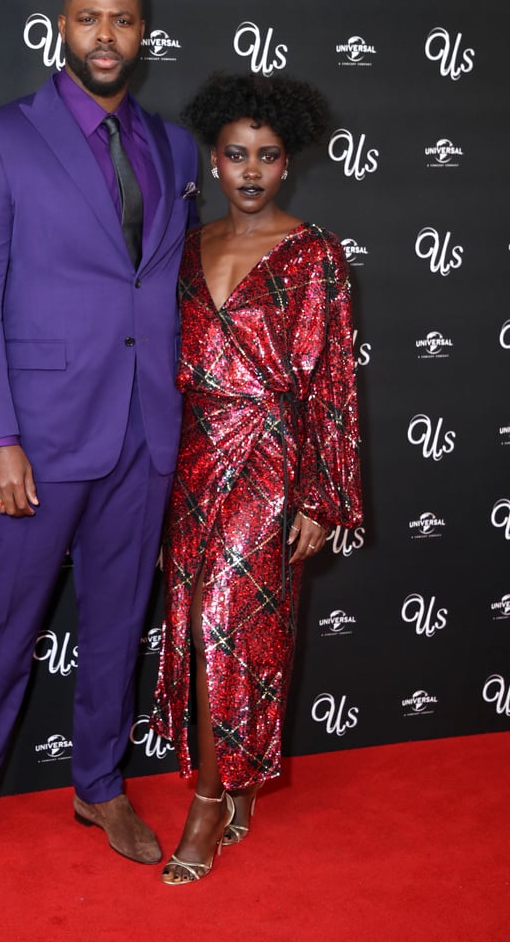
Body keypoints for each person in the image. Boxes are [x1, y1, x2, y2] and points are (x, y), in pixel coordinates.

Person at [0, 0, 197, 881]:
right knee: (4, 626)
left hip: (144, 432)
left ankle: (99, 785)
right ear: (62, 27)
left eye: (124, 21)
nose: (107, 36)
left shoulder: (176, 148)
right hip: (40, 434)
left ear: (142, 35)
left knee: (116, 625)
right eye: (90, 19)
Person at [150, 72, 363, 885]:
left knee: (222, 626)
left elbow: (333, 383)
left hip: (269, 461)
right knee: (196, 626)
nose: (250, 170)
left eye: (267, 157)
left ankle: (207, 801)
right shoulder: (186, 244)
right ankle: (234, 779)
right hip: (193, 454)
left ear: (287, 164)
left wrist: (322, 494)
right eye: (236, 154)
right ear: (213, 158)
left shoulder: (314, 255)